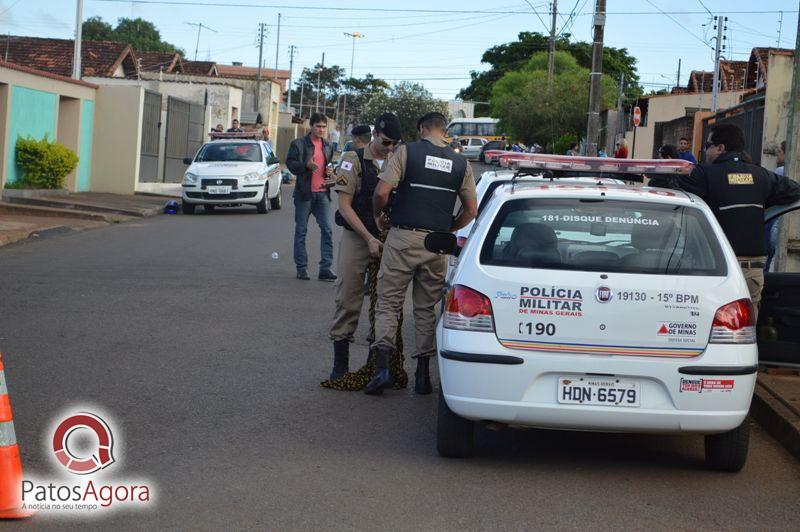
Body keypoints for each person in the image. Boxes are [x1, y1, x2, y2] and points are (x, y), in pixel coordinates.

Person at [364, 112, 478, 396]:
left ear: (421, 128)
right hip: (437, 245)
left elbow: (381, 192)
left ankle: (382, 370)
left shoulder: (407, 152)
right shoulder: (461, 163)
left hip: (403, 238)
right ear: (444, 131)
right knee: (426, 309)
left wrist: (378, 216)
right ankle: (423, 377)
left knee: (389, 303)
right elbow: (472, 210)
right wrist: (447, 228)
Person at [649, 124, 800, 315]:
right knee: (745, 330)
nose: (705, 150)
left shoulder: (705, 175)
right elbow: (794, 190)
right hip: (751, 271)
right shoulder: (762, 176)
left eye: (708, 145)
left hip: (712, 268)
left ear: (720, 148)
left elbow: (669, 184)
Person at [324, 114, 403, 384]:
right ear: (375, 134)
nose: (390, 147)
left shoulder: (398, 159)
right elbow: (344, 206)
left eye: (395, 143)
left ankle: (379, 366)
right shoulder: (353, 159)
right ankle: (340, 364)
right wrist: (369, 238)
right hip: (358, 236)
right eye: (386, 142)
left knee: (387, 303)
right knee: (347, 297)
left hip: (389, 238)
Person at [285, 113, 337, 282]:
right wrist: (305, 165)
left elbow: (328, 167)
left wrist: (330, 172)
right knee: (301, 231)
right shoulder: (298, 144)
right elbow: (291, 165)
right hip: (304, 194)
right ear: (311, 126)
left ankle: (325, 269)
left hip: (322, 194)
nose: (321, 129)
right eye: (318, 126)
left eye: (324, 127)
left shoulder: (328, 145)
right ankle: (302, 268)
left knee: (327, 230)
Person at [765, 140, 787, 271]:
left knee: (769, 257)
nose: (777, 155)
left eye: (780, 152)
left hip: (776, 221)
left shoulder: (780, 170)